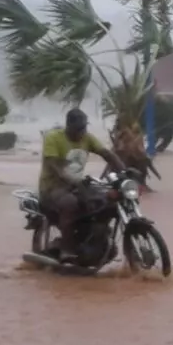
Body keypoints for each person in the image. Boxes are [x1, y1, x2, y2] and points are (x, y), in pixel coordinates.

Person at [39, 109, 125, 261]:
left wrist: (125, 172)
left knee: (106, 201)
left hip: (77, 185)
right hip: (53, 187)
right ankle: (66, 248)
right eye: (78, 128)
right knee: (70, 203)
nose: (82, 132)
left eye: (84, 127)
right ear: (68, 125)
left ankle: (97, 238)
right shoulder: (53, 138)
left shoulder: (87, 138)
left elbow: (107, 154)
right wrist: (74, 182)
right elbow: (55, 166)